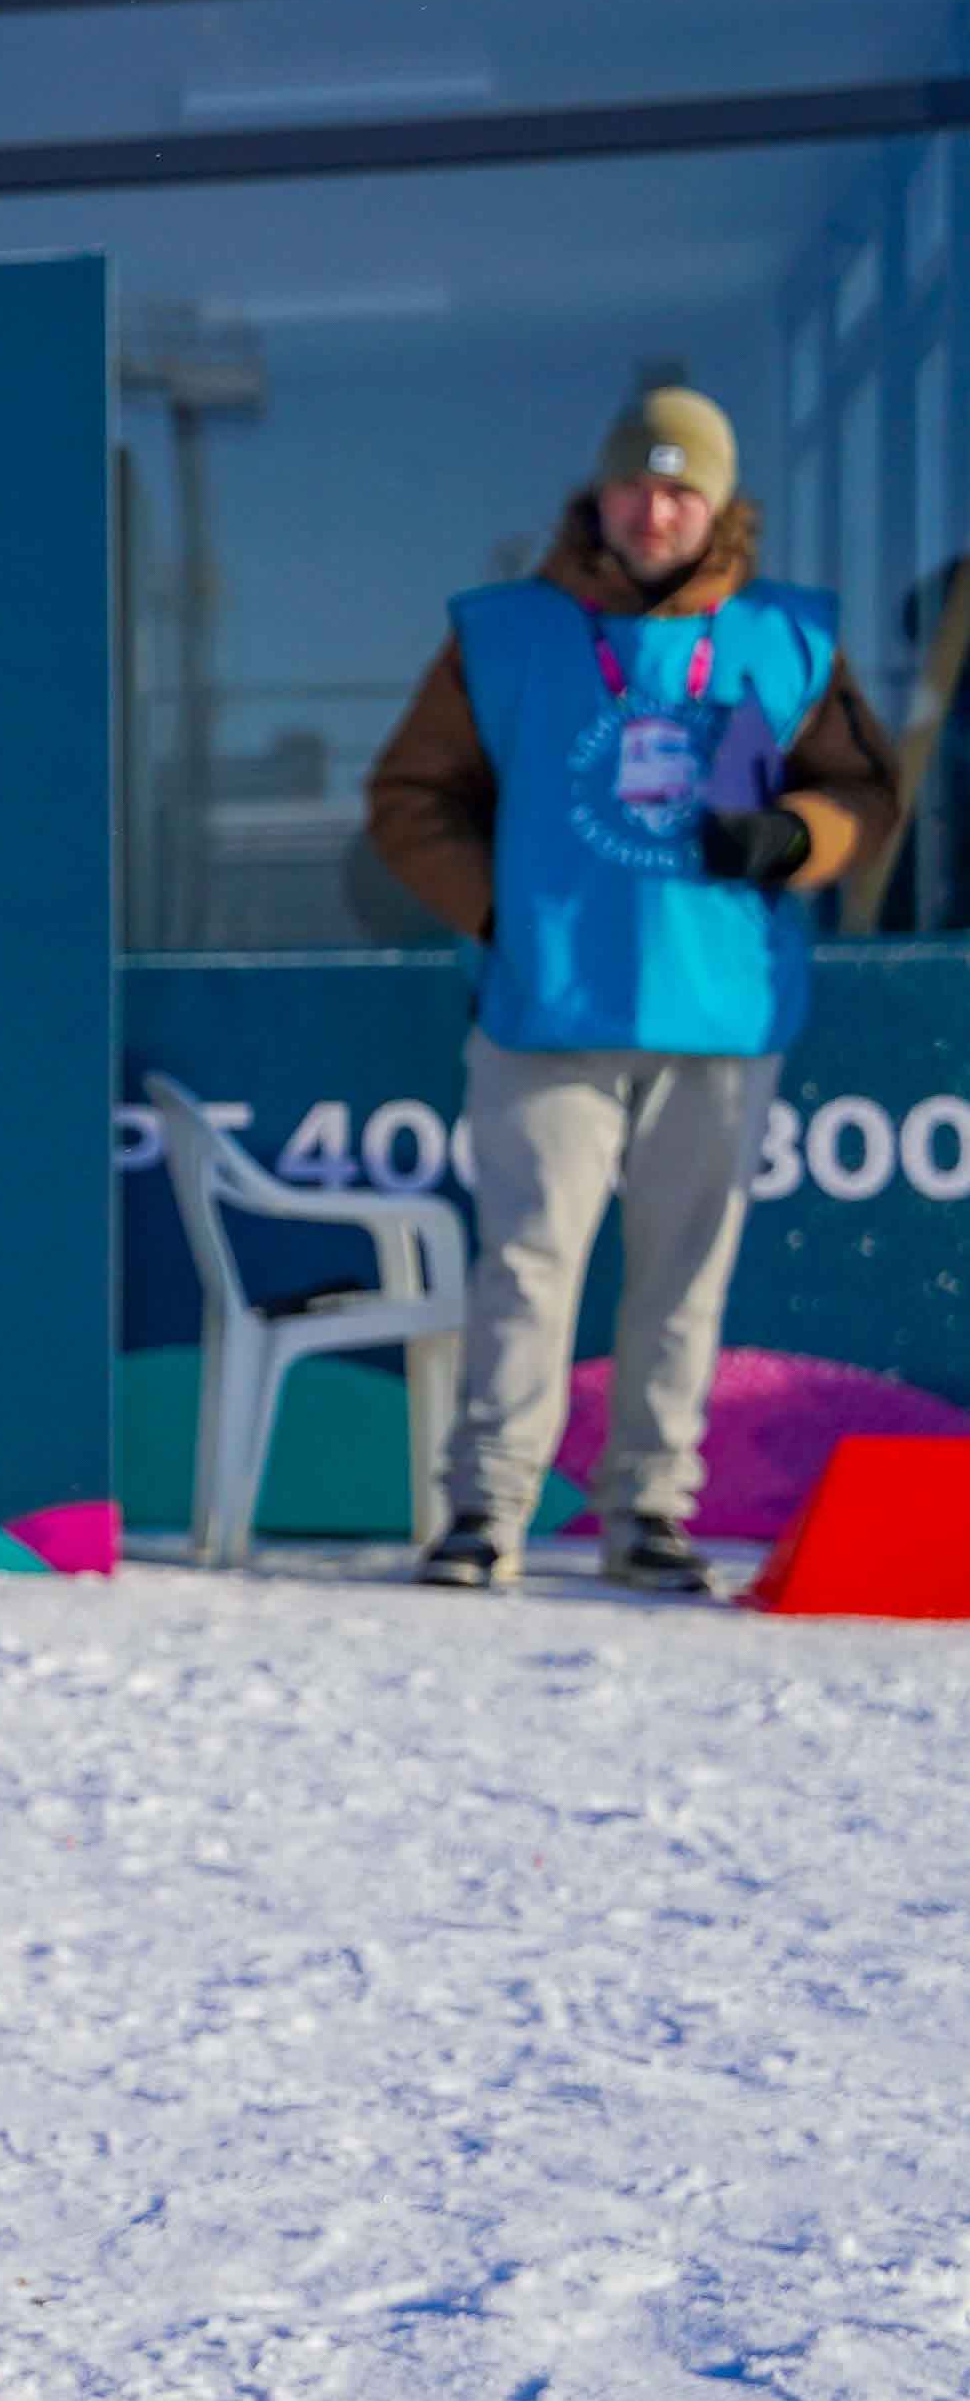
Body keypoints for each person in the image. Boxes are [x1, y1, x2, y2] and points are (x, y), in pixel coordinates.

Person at [362, 385, 899, 1594]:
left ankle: (648, 1510)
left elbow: (864, 793)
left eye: (680, 488)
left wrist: (792, 837)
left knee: (681, 1277)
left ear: (717, 504)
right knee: (527, 1266)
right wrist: (505, 914)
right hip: (546, 1011)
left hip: (721, 1014)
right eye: (634, 484)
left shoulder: (787, 634)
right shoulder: (503, 631)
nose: (654, 510)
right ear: (596, 496)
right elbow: (411, 797)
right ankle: (484, 1511)